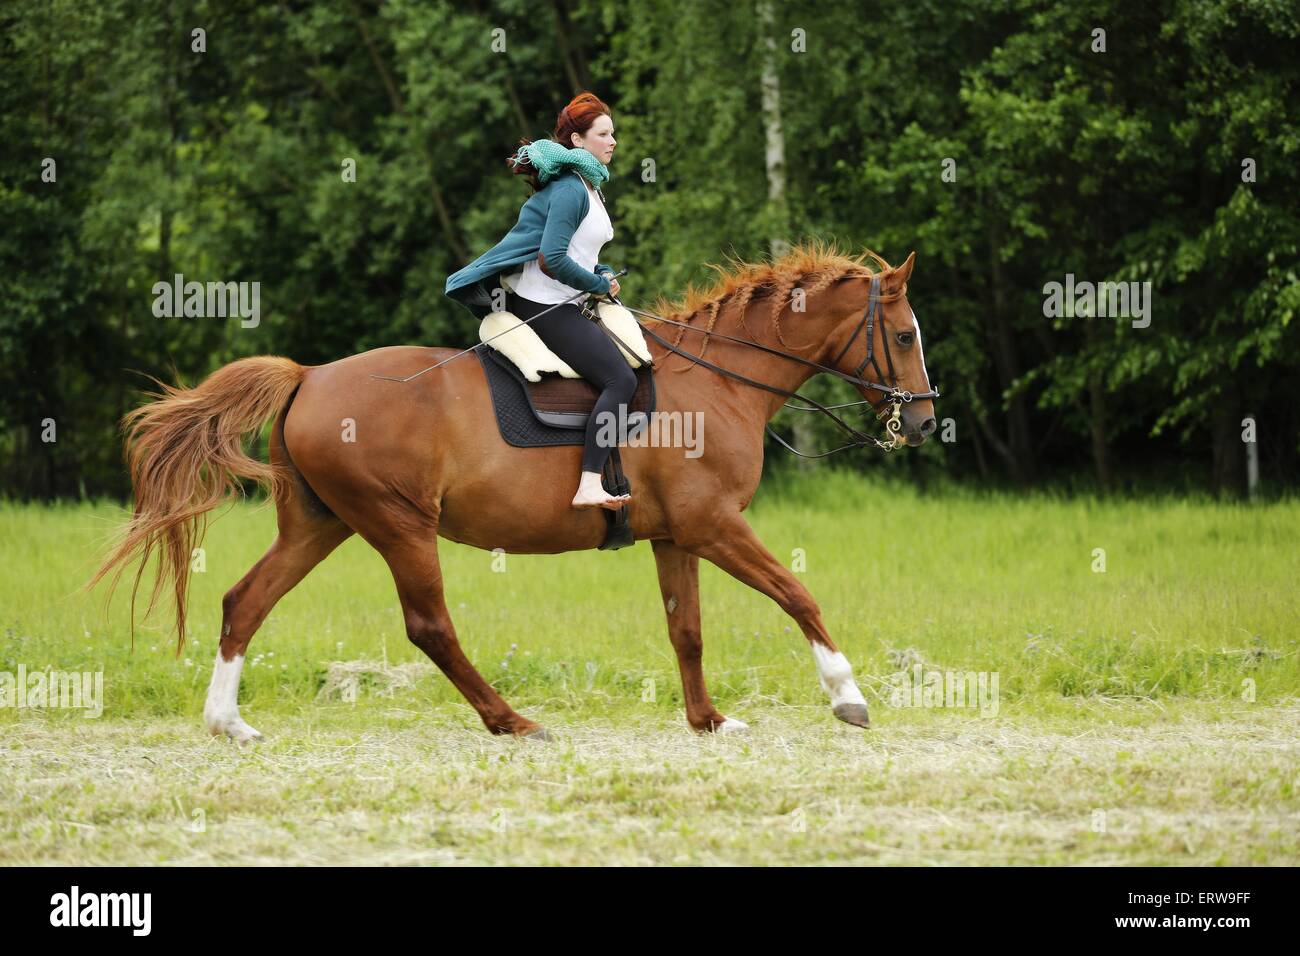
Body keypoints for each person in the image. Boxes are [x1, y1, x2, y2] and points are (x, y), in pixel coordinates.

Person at [445, 92, 635, 511]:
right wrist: (596, 285)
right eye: (604, 134)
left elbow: (580, 254)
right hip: (545, 307)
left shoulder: (590, 185)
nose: (613, 141)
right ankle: (589, 483)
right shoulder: (571, 189)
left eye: (613, 133)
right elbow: (552, 259)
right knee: (621, 380)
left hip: (569, 298)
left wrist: (600, 275)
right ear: (579, 141)